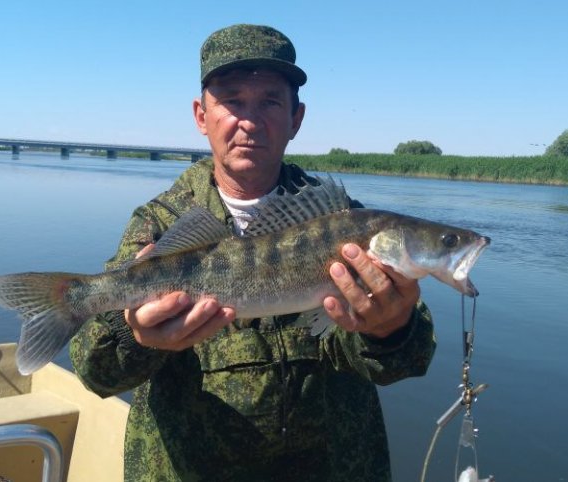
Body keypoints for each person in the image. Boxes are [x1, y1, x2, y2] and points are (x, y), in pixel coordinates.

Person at [69, 24, 436, 481]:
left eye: (270, 102)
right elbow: (95, 372)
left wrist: (391, 329)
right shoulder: (160, 224)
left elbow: (407, 360)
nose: (250, 121)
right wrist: (135, 336)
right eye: (232, 101)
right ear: (201, 116)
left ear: (296, 119)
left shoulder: (346, 224)